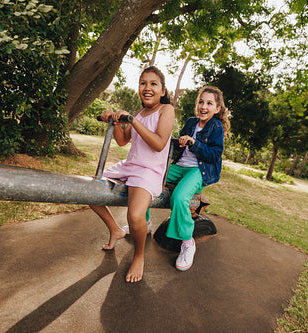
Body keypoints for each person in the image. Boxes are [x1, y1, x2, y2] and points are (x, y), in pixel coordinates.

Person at [90, 66, 175, 283]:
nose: (147, 88)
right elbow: (122, 140)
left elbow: (158, 144)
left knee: (136, 216)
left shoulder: (165, 111)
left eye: (153, 84)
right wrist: (116, 120)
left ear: (163, 91)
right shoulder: (138, 113)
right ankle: (115, 230)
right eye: (143, 83)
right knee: (91, 191)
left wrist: (132, 120)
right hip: (130, 165)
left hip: (149, 170)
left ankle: (139, 256)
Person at [165, 86, 230, 271]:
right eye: (201, 102)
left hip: (198, 171)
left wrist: (194, 144)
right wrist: (178, 142)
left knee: (179, 197)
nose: (204, 106)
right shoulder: (191, 122)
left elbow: (214, 155)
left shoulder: (216, 126)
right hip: (179, 166)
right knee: (150, 177)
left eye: (209, 103)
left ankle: (187, 242)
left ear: (217, 109)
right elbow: (179, 147)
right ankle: (144, 223)